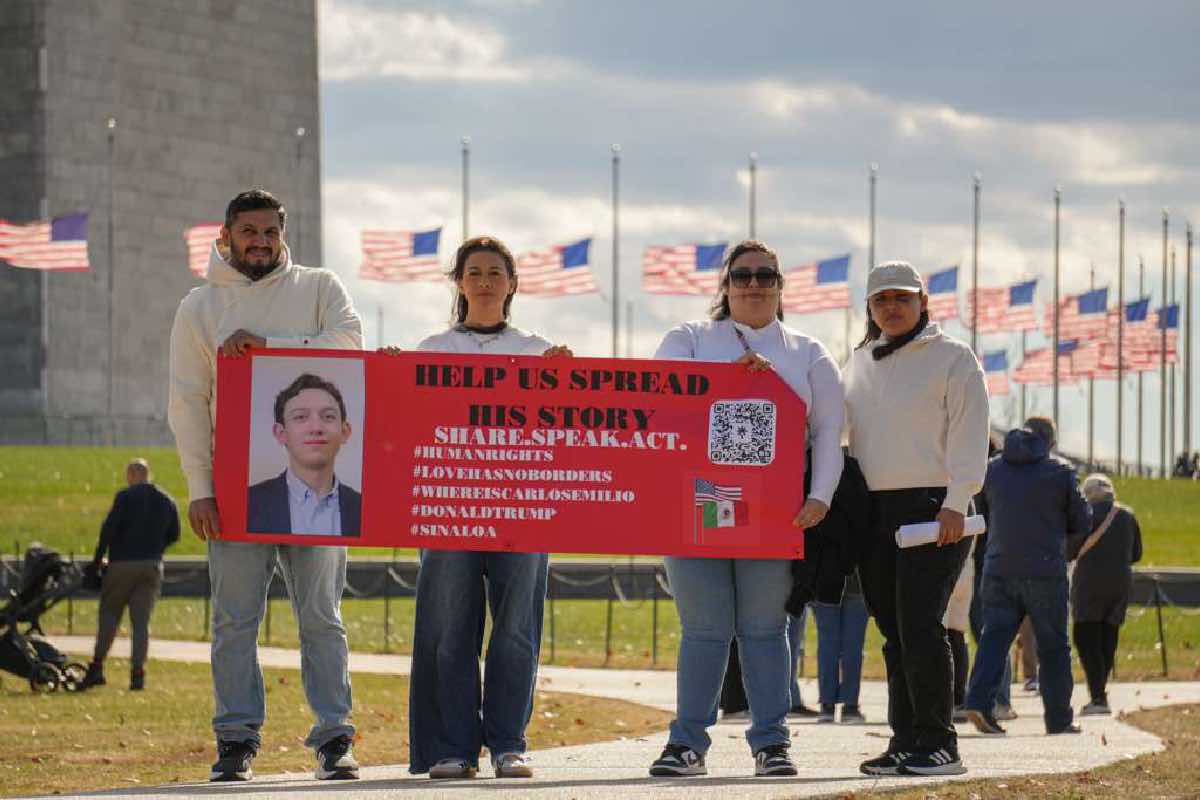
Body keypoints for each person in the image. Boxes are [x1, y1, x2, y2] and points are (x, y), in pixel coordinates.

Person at [169, 189, 363, 782]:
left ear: (283, 235)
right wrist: (200, 487)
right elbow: (188, 401)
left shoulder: (320, 287)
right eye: (247, 231)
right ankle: (235, 739)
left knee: (322, 616)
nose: (260, 241)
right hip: (234, 488)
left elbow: (351, 346)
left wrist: (269, 346)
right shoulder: (199, 307)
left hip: (320, 489)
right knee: (234, 619)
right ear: (225, 238)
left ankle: (334, 738)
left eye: (270, 231)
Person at [648, 240, 844, 778]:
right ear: (726, 284)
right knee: (705, 630)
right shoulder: (688, 338)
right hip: (699, 503)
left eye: (765, 276)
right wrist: (729, 380)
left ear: (781, 286)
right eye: (742, 276)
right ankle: (687, 744)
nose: (753, 285)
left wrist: (820, 496)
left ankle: (772, 743)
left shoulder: (807, 351)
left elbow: (828, 431)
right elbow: (661, 400)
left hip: (772, 509)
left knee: (764, 629)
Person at [392, 235, 571, 780]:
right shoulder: (432, 349)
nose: (486, 281)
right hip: (449, 510)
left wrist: (566, 380)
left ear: (513, 284)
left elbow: (567, 432)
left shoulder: (539, 349)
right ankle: (452, 747)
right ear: (459, 282)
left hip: (523, 508)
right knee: (450, 628)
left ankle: (509, 743)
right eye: (475, 271)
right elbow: (401, 427)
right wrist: (390, 376)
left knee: (517, 628)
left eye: (497, 272)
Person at [844, 261, 989, 777]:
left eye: (902, 298)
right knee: (892, 631)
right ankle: (906, 741)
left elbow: (973, 431)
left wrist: (958, 499)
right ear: (869, 307)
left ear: (923, 302)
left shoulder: (953, 357)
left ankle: (940, 743)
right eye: (881, 299)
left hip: (935, 509)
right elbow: (837, 429)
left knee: (921, 626)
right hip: (874, 511)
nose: (892, 306)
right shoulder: (859, 361)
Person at [964, 417, 1091, 737]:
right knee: (1053, 647)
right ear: (1050, 443)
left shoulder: (992, 469)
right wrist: (1065, 551)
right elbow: (1083, 520)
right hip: (1046, 569)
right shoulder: (1061, 472)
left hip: (998, 567)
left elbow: (981, 514)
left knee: (994, 639)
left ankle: (979, 700)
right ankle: (1059, 718)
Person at [79, 458, 179, 691]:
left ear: (132, 475)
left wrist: (96, 563)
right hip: (152, 566)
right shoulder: (166, 500)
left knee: (110, 615)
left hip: (122, 563)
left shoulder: (125, 497)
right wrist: (155, 548)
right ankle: (137, 673)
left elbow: (108, 530)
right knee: (141, 622)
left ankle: (97, 666)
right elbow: (174, 534)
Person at [246, 373, 362, 536]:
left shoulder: (364, 508)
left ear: (344, 431)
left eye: (328, 416)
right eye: (300, 417)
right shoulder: (249, 503)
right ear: (281, 433)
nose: (316, 427)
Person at [1071, 473, 1142, 716]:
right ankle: (1100, 693)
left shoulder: (1085, 514)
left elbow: (1070, 549)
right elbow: (1137, 554)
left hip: (1089, 585)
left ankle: (1098, 697)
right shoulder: (1127, 515)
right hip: (1120, 584)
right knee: (1108, 637)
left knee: (1085, 636)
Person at [812, 572, 869, 724]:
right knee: (853, 646)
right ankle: (850, 705)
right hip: (857, 580)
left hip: (824, 579)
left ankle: (827, 704)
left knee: (827, 645)